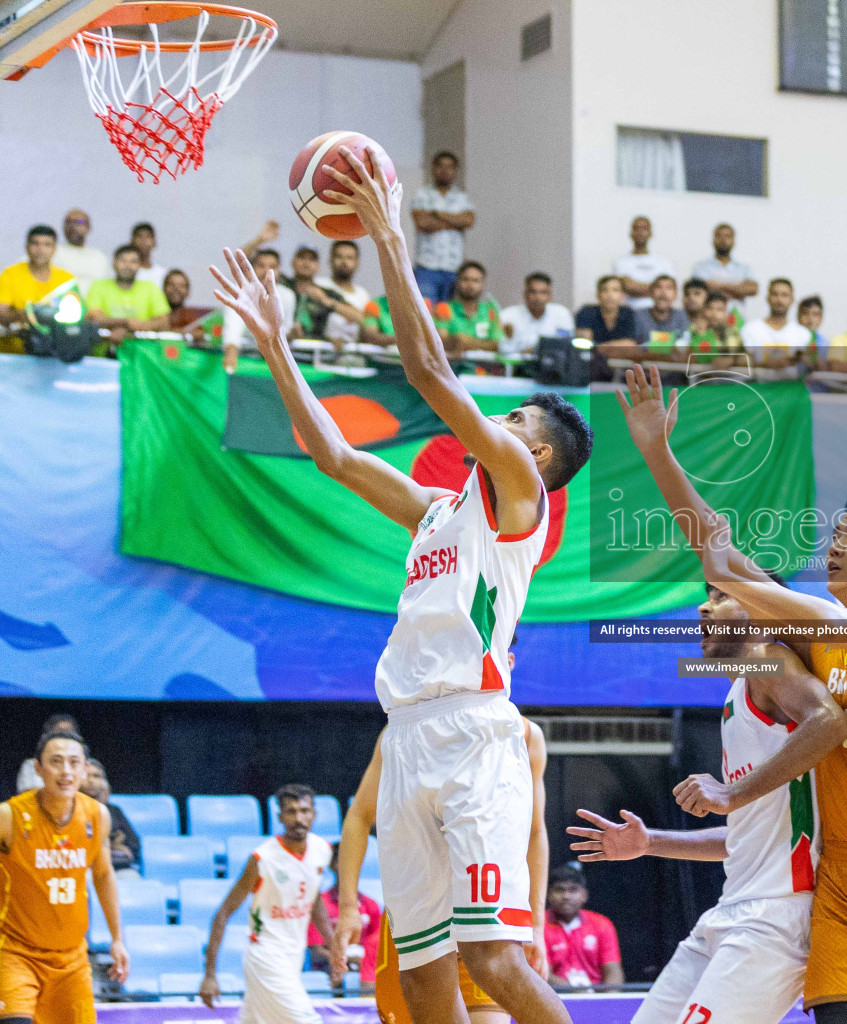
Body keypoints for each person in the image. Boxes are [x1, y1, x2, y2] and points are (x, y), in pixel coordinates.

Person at [226, 145, 587, 1024]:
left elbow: (429, 374)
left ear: (536, 452)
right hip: (407, 736)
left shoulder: (519, 489)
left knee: (494, 963)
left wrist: (390, 230)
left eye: (512, 418)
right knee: (425, 986)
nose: (497, 420)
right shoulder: (440, 504)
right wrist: (277, 345)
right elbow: (335, 455)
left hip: (472, 734)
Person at [616, 363, 847, 1024]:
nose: (834, 545)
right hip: (843, 877)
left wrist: (732, 790)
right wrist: (658, 453)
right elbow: (723, 563)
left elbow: (798, 609)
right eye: (833, 534)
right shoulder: (813, 636)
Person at [567, 573, 847, 1024]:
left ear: (762, 608)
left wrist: (730, 791)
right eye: (706, 597)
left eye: (722, 598)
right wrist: (650, 842)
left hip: (775, 917)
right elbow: (743, 835)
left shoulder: (770, 662)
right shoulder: (738, 693)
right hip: (729, 909)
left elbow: (830, 722)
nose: (703, 608)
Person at [335, 711, 548, 1024]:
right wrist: (348, 907)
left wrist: (538, 924)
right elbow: (359, 816)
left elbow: (534, 831)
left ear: (508, 661)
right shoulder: (404, 730)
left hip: (485, 907)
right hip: (418, 911)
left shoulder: (525, 735)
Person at [0, 730, 130, 1022]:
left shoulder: (97, 816)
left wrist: (117, 938)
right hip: (16, 952)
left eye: (74, 763)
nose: (66, 771)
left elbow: (103, 875)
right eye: (56, 762)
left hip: (71, 960)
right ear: (38, 769)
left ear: (85, 768)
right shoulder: (7, 816)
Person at [201, 784, 337, 1017]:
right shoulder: (263, 859)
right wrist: (210, 975)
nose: (298, 818)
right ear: (280, 817)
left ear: (314, 815)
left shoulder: (321, 850)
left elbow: (313, 901)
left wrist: (334, 948)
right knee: (306, 1019)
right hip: (265, 956)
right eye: (291, 812)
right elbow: (223, 913)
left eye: (304, 811)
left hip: (293, 957)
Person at [0, 225, 77, 353]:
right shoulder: (10, 274)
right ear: (27, 247)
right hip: (13, 354)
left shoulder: (66, 280)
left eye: (47, 245)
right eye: (35, 243)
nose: (40, 250)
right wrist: (24, 315)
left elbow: (76, 315)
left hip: (53, 354)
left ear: (54, 249)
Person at [307, 842, 381, 984]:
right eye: (342, 860)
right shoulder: (319, 904)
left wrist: (362, 961)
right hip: (328, 966)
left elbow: (378, 945)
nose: (349, 865)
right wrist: (343, 961)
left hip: (365, 965)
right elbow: (316, 951)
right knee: (336, 976)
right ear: (331, 865)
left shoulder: (371, 905)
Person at [411, 151, 476, 303]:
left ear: (455, 171)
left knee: (447, 314)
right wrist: (455, 222)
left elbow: (468, 221)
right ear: (433, 168)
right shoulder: (422, 195)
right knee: (425, 312)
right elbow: (422, 222)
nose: (445, 171)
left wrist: (436, 213)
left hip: (454, 267)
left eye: (450, 167)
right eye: (441, 166)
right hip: (427, 266)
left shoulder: (462, 197)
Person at [84, 244, 172, 353]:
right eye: (123, 261)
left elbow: (163, 321)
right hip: (103, 356)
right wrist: (126, 322)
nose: (128, 266)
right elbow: (93, 318)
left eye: (133, 262)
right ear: (113, 264)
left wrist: (131, 330)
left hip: (141, 356)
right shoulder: (99, 286)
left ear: (140, 266)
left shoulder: (150, 287)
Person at [218, 249, 296, 372]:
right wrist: (231, 350)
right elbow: (233, 325)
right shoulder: (240, 291)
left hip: (275, 357)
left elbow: (286, 330)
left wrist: (293, 334)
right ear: (251, 268)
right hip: (244, 356)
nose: (266, 271)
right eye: (261, 266)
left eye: (272, 267)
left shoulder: (287, 296)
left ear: (279, 270)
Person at [544, 866, 622, 987]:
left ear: (584, 895)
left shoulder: (602, 924)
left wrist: (608, 1000)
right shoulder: (538, 925)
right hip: (553, 998)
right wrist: (576, 992)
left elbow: (613, 972)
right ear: (548, 895)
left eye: (573, 890)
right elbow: (542, 975)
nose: (566, 896)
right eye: (559, 890)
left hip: (595, 998)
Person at [81, 758, 141, 878]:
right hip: (83, 868)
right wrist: (111, 845)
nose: (91, 781)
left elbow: (134, 845)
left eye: (96, 776)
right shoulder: (69, 809)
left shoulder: (114, 811)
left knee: (131, 876)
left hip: (115, 866)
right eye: (86, 776)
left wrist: (121, 848)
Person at [689, 223, 757, 326]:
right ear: (713, 239)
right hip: (707, 323)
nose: (723, 240)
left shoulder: (744, 268)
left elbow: (752, 289)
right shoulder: (701, 267)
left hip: (737, 322)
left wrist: (717, 286)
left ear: (734, 241)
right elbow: (698, 291)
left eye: (727, 236)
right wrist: (737, 290)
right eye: (719, 235)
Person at [432, 260, 502, 357]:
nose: (470, 285)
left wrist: (466, 342)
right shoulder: (444, 308)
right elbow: (442, 342)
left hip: (485, 366)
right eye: (465, 279)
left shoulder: (490, 311)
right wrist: (482, 344)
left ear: (483, 284)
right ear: (457, 282)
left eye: (476, 281)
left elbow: (497, 345)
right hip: (454, 365)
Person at [499, 272, 574, 358]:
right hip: (517, 366)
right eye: (533, 292)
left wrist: (534, 351)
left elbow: (566, 346)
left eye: (543, 292)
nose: (538, 297)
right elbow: (501, 349)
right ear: (525, 294)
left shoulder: (562, 314)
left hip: (552, 366)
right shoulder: (508, 315)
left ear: (550, 296)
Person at [575, 274, 639, 371]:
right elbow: (584, 345)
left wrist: (598, 348)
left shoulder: (628, 313)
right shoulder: (586, 311)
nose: (610, 295)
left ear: (622, 295)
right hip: (590, 366)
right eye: (604, 290)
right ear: (598, 294)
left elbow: (629, 345)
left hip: (622, 367)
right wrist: (615, 347)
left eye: (615, 290)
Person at [312, 240, 370, 346]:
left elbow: (365, 322)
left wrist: (331, 304)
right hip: (322, 352)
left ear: (357, 263)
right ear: (330, 261)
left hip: (354, 355)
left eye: (349, 258)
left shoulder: (363, 294)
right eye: (339, 257)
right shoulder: (319, 284)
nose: (344, 262)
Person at [742, 277, 808, 370]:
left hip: (792, 384)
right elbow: (742, 363)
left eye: (784, 295)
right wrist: (767, 365)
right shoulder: (750, 329)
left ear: (792, 300)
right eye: (775, 294)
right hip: (758, 384)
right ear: (768, 298)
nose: (779, 300)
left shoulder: (803, 333)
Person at [614, 216, 675, 313]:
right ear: (631, 233)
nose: (640, 232)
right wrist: (657, 288)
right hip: (629, 314)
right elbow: (627, 287)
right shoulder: (620, 262)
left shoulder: (664, 263)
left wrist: (637, 286)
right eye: (636, 228)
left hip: (659, 316)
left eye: (644, 228)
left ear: (650, 233)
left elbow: (670, 292)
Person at [18, 714, 81, 792]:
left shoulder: (88, 766)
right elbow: (28, 794)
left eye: (69, 731)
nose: (66, 771)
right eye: (56, 761)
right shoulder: (31, 765)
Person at [633, 275, 690, 360]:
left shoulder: (681, 316)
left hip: (674, 371)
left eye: (669, 288)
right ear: (651, 293)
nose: (663, 292)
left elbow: (683, 348)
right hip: (644, 370)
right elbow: (633, 348)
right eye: (658, 287)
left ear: (675, 295)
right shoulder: (638, 316)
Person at [53, 209, 111, 283]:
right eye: (69, 222)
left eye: (80, 222)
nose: (73, 226)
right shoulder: (53, 253)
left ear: (89, 227)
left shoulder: (99, 257)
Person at [798, 294, 829, 369]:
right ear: (798, 316)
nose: (810, 319)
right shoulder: (791, 339)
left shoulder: (825, 344)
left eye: (815, 314)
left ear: (821, 318)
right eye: (805, 313)